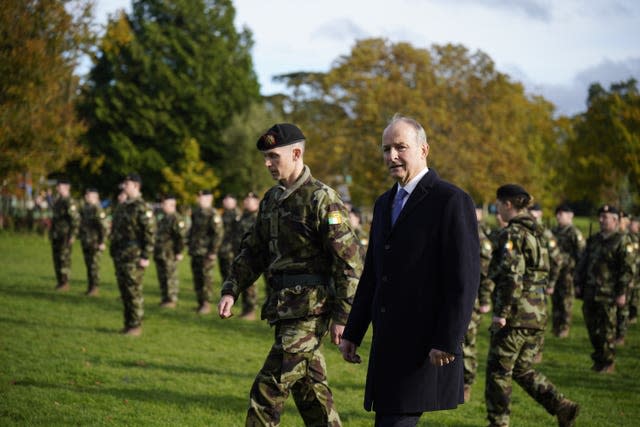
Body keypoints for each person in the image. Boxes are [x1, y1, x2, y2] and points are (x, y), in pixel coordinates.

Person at [217, 123, 363, 426]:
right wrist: (231, 289)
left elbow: (349, 264)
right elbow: (253, 251)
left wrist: (344, 316)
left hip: (312, 310)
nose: (267, 164)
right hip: (283, 307)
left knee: (267, 391)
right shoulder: (271, 200)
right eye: (265, 158)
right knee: (311, 395)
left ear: (296, 153)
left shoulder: (322, 199)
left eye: (273, 156)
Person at [339, 115, 479, 427]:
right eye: (386, 149)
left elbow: (464, 278)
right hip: (388, 342)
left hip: (424, 345)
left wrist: (448, 339)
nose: (392, 156)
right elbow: (374, 274)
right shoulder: (383, 203)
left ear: (423, 149)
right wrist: (353, 331)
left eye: (401, 147)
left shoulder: (451, 200)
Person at [485, 184, 579, 427]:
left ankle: (499, 422)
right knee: (521, 369)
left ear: (507, 204)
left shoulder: (512, 233)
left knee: (498, 370)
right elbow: (555, 262)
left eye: (498, 205)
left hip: (516, 314)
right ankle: (561, 406)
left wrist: (502, 313)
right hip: (538, 312)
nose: (497, 210)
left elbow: (512, 276)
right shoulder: (543, 232)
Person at [575, 204, 634, 372]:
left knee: (607, 329)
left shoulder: (622, 241)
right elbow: (583, 262)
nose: (601, 220)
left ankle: (608, 362)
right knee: (592, 328)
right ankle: (599, 358)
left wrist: (622, 292)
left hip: (609, 293)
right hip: (590, 291)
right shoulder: (594, 240)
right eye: (600, 217)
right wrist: (578, 282)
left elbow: (627, 269)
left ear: (615, 220)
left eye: (605, 218)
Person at [109, 173, 155, 336]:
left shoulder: (142, 207)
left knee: (133, 290)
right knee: (124, 290)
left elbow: (149, 233)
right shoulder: (124, 205)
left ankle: (136, 325)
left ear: (136, 186)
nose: (124, 187)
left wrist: (145, 256)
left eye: (127, 184)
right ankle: (128, 323)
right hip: (121, 254)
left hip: (134, 255)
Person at [463, 206, 494, 402]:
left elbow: (486, 272)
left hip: (470, 299)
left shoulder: (479, 236)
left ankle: (466, 383)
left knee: (467, 342)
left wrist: (484, 299)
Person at [550, 204, 585, 338]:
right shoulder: (554, 231)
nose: (558, 216)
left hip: (568, 273)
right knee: (555, 301)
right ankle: (556, 327)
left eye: (561, 213)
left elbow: (581, 254)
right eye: (557, 214)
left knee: (566, 301)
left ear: (570, 216)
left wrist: (577, 274)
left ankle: (564, 328)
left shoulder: (574, 233)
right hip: (555, 273)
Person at [188, 190, 223, 314]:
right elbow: (192, 231)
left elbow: (218, 234)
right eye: (199, 197)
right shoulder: (196, 212)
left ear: (209, 199)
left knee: (206, 278)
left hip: (206, 252)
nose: (199, 199)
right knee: (197, 278)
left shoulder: (213, 214)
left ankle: (206, 304)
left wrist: (213, 251)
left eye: (201, 197)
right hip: (195, 251)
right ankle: (200, 302)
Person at [154, 194, 186, 308]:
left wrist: (179, 252)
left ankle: (171, 299)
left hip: (170, 253)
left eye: (165, 203)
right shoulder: (164, 218)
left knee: (170, 275)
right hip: (161, 253)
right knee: (162, 276)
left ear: (172, 205)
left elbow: (181, 237)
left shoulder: (176, 218)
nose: (162, 205)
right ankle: (165, 298)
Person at [232, 191, 261, 320]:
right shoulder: (243, 216)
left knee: (250, 283)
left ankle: (251, 310)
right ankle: (245, 309)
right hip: (241, 253)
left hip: (253, 254)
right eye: (245, 200)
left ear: (257, 202)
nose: (246, 202)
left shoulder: (258, 217)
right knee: (242, 281)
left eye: (249, 200)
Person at [50, 178, 80, 291]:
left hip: (65, 235)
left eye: (60, 186)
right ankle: (60, 282)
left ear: (67, 187)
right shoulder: (58, 201)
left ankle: (65, 282)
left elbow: (75, 220)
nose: (58, 188)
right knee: (56, 258)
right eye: (57, 186)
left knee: (64, 258)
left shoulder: (69, 201)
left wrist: (73, 235)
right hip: (56, 235)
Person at [79, 187, 108, 296]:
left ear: (96, 197)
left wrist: (102, 242)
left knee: (94, 266)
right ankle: (90, 287)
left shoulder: (97, 209)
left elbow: (104, 227)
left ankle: (95, 288)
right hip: (87, 241)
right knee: (89, 265)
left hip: (95, 242)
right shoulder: (87, 208)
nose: (86, 197)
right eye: (86, 195)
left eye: (89, 195)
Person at [218, 194, 240, 283]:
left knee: (231, 273)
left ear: (234, 202)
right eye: (225, 200)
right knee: (224, 273)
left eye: (229, 201)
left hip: (232, 249)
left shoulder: (237, 215)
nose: (226, 202)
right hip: (223, 248)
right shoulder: (223, 214)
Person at [629, 215, 640, 324]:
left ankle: (633, 315)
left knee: (635, 294)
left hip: (637, 270)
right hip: (630, 269)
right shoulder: (627, 237)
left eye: (632, 223)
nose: (630, 224)